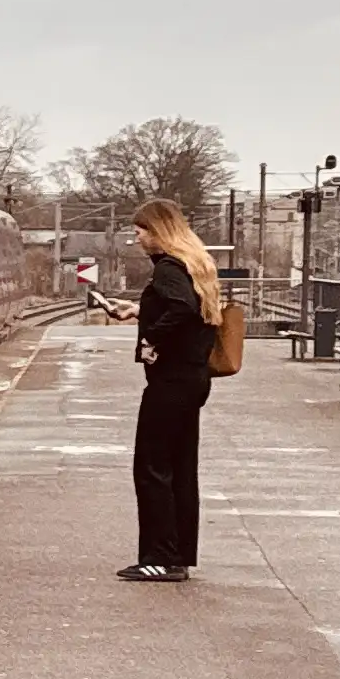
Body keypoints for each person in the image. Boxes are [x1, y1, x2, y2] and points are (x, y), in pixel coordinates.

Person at [122, 198, 223, 581]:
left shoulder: (168, 267)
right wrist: (139, 311)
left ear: (158, 231)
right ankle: (176, 556)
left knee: (151, 466)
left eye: (141, 231)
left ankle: (159, 557)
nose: (138, 239)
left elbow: (180, 308)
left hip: (170, 381)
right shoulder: (193, 263)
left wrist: (151, 339)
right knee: (180, 468)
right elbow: (188, 305)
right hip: (192, 379)